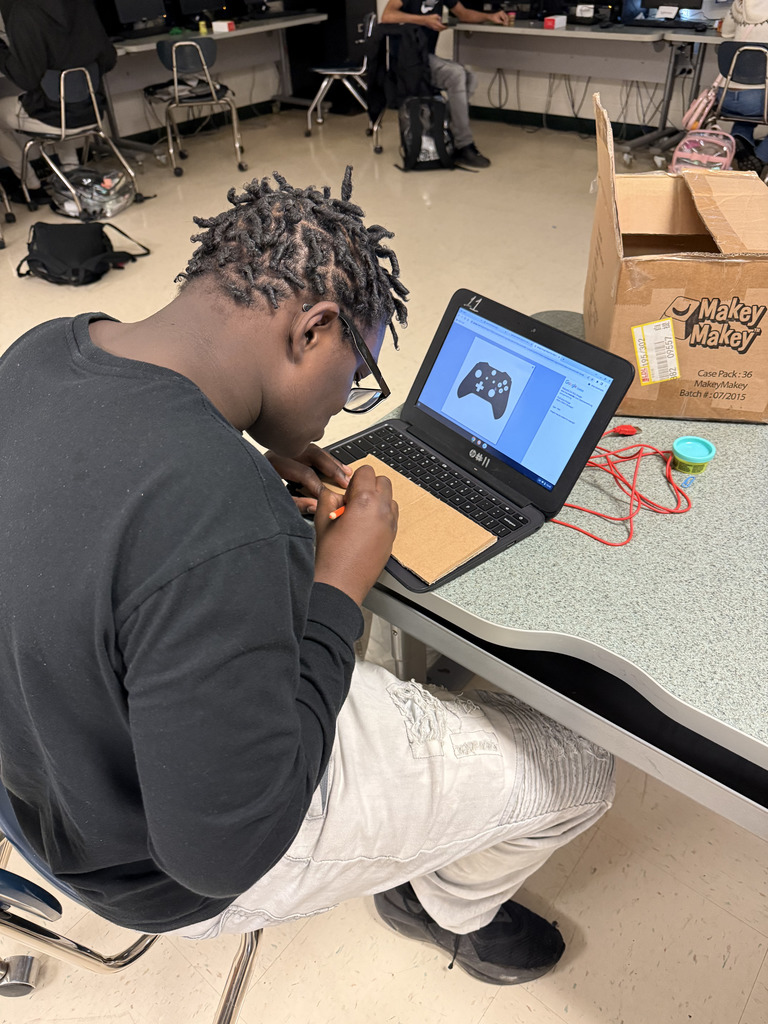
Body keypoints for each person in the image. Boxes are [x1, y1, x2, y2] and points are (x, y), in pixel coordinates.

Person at [0, 168, 614, 986]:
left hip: (47, 778)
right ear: (313, 328)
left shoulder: (44, 349)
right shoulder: (218, 510)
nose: (344, 403)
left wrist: (239, 469)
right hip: (160, 867)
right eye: (356, 376)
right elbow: (222, 854)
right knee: (584, 766)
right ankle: (444, 906)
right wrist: (337, 590)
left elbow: (111, 506)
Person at [0, 0, 117, 203]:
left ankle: (31, 186)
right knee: (59, 101)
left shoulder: (22, 10)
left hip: (57, 115)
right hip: (91, 110)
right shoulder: (82, 5)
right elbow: (109, 59)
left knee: (49, 104)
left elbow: (26, 79)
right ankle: (72, 173)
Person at [380, 0, 509, 168]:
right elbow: (387, 15)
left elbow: (464, 14)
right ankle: (464, 146)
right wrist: (423, 20)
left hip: (425, 59)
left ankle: (443, 130)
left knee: (469, 78)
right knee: (456, 74)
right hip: (406, 61)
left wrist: (490, 16)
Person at [718, 0, 768, 174]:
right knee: (759, 89)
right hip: (759, 101)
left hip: (724, 98)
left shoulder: (740, 3)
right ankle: (762, 158)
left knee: (750, 83)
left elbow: (726, 33)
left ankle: (741, 138)